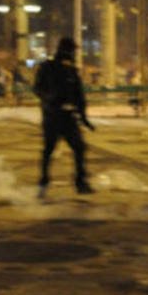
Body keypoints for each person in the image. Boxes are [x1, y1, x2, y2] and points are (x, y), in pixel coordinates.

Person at [33, 37, 94, 197]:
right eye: (72, 50)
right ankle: (43, 183)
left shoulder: (71, 70)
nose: (73, 54)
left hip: (68, 117)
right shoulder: (48, 67)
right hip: (53, 116)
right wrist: (49, 99)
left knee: (79, 148)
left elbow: (79, 96)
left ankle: (80, 182)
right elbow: (38, 88)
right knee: (49, 150)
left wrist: (84, 117)